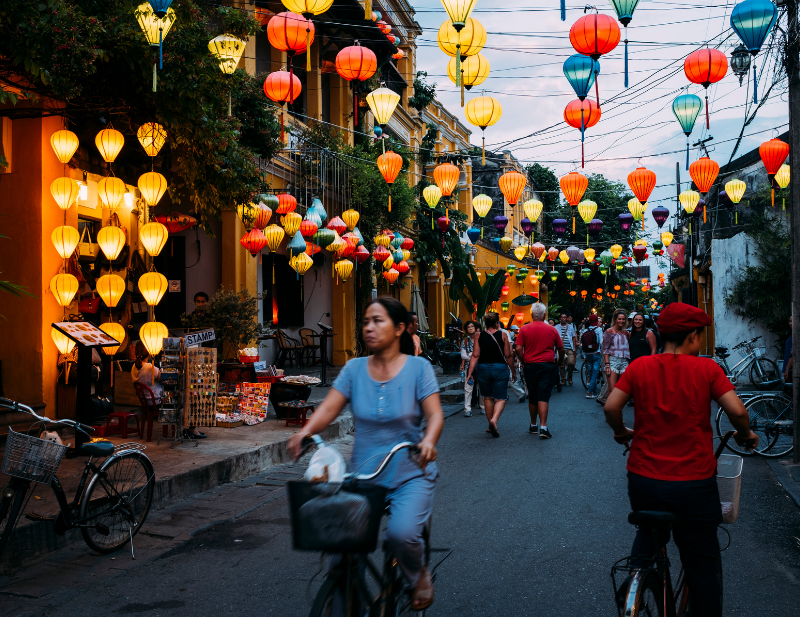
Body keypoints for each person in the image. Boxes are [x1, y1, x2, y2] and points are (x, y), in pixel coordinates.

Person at [603, 302, 759, 617]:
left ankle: (636, 578)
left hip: (645, 477)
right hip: (693, 481)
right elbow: (738, 412)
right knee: (701, 561)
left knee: (648, 532)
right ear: (692, 337)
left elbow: (611, 407)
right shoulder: (707, 369)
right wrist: (745, 435)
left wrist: (621, 432)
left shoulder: (639, 367)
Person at [288, 297, 443, 611]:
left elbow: (435, 415)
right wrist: (305, 431)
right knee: (338, 547)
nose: (369, 328)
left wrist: (428, 441)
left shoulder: (418, 368)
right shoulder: (354, 369)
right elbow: (330, 407)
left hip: (409, 473)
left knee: (401, 535)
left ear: (400, 328)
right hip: (362, 476)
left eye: (378, 321)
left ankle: (418, 575)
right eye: (366, 321)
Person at [132, 341, 205, 440]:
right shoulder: (149, 367)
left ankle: (189, 429)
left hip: (147, 402)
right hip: (157, 401)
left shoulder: (134, 367)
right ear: (149, 352)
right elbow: (166, 379)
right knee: (189, 401)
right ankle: (192, 429)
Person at [514, 303, 564, 439]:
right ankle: (543, 427)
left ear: (531, 315)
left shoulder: (524, 329)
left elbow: (518, 348)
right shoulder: (552, 329)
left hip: (530, 365)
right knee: (543, 396)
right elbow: (561, 348)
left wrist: (523, 361)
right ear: (544, 315)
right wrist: (559, 361)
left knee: (533, 396)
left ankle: (533, 425)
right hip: (547, 365)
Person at [466, 312, 516, 438]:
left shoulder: (478, 335)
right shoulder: (503, 335)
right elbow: (508, 355)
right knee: (500, 398)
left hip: (483, 368)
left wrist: (470, 372)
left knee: (487, 397)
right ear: (496, 323)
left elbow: (475, 355)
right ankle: (494, 420)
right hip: (499, 368)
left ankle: (490, 424)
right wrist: (513, 371)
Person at [603, 309, 631, 393]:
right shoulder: (609, 331)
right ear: (615, 319)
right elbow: (605, 349)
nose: (621, 321)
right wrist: (607, 365)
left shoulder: (626, 333)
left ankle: (608, 405)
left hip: (624, 362)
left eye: (623, 319)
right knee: (612, 390)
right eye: (619, 319)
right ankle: (609, 406)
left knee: (621, 391)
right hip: (613, 362)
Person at [459, 321, 484, 417]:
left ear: (476, 328)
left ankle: (482, 406)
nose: (470, 328)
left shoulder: (481, 339)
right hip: (469, 367)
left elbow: (483, 354)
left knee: (481, 387)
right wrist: (475, 356)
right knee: (468, 388)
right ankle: (467, 409)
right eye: (468, 327)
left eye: (472, 326)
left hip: (481, 366)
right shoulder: (465, 341)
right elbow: (463, 356)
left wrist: (471, 355)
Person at [581, 314, 604, 399]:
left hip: (587, 354)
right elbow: (601, 342)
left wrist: (584, 356)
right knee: (595, 372)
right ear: (597, 322)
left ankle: (594, 392)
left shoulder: (585, 330)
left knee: (591, 372)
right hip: (596, 353)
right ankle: (590, 391)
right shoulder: (599, 330)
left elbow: (583, 344)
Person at [556, 313, 578, 386]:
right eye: (562, 317)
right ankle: (563, 379)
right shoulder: (556, 327)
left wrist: (574, 348)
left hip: (569, 348)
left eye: (564, 317)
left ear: (567, 318)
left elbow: (573, 337)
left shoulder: (570, 327)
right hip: (560, 349)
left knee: (571, 363)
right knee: (561, 365)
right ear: (560, 318)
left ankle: (569, 377)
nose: (563, 319)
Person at [784, 316, 793, 384]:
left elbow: (792, 356)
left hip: (792, 370)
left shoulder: (795, 337)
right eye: (790, 321)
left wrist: (787, 369)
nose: (790, 323)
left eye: (791, 321)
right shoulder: (792, 336)